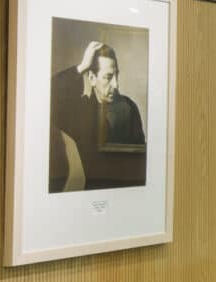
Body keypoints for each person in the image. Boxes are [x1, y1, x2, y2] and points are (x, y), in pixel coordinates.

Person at [47, 39, 146, 192]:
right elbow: (48, 96)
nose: (116, 84)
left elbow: (141, 160)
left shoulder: (130, 107)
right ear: (92, 78)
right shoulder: (79, 111)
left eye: (116, 75)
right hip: (94, 198)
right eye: (108, 77)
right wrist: (81, 67)